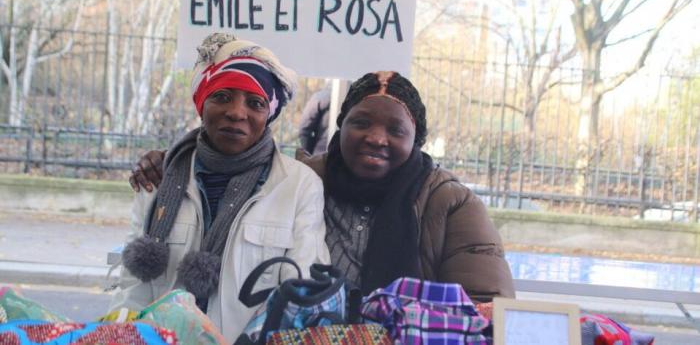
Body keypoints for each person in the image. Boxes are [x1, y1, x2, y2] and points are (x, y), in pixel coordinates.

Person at [129, 71, 514, 302]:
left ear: (417, 139)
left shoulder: (450, 203)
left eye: (395, 130)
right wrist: (173, 162)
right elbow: (232, 165)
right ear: (341, 125)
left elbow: (485, 310)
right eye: (361, 123)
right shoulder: (298, 180)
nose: (376, 138)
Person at [113, 33, 329, 343]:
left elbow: (300, 292)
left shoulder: (298, 185)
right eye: (222, 96)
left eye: (254, 103)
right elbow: (133, 288)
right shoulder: (158, 177)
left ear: (269, 114)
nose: (237, 112)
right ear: (202, 103)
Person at [298, 85, 331, 155]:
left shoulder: (321, 97)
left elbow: (304, 128)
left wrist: (308, 155)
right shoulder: (354, 96)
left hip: (320, 153)